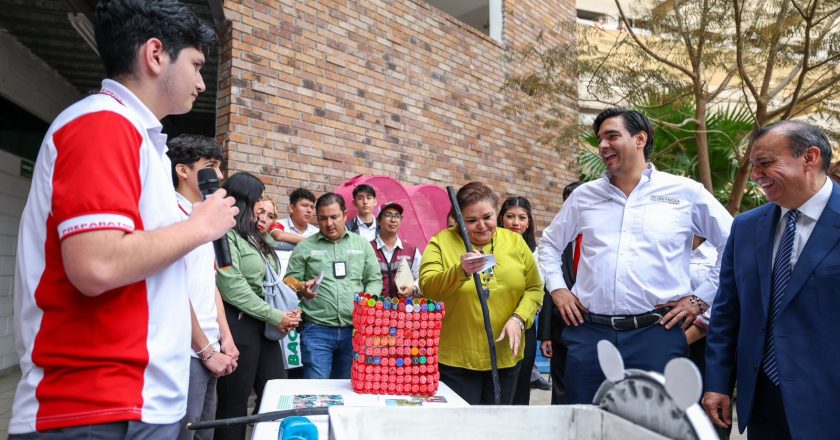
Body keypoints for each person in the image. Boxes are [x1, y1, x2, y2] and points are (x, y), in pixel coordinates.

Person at [9, 1, 237, 437]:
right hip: (96, 408)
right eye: (196, 65)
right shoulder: (103, 123)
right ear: (155, 54)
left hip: (135, 403)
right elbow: (97, 264)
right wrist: (199, 226)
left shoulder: (139, 137)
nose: (201, 82)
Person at [539, 108, 732, 405]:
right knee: (585, 426)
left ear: (640, 138)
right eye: (599, 138)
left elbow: (733, 243)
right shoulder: (584, 196)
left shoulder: (685, 192)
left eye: (612, 136)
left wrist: (700, 298)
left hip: (656, 336)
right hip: (590, 336)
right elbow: (550, 245)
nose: (603, 145)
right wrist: (559, 289)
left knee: (654, 428)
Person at [703, 121, 840, 440]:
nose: (755, 175)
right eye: (753, 166)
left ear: (810, 158)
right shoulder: (746, 227)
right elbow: (726, 313)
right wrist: (718, 384)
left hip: (830, 402)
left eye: (765, 163)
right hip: (764, 400)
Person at [420, 182, 543, 405]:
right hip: (457, 361)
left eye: (487, 217)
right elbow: (429, 288)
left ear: (496, 212)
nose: (481, 226)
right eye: (471, 221)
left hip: (506, 356)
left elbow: (534, 288)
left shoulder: (514, 241)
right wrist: (460, 271)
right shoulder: (441, 242)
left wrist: (518, 318)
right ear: (458, 220)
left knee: (497, 425)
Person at [215, 172, 302, 440]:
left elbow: (271, 282)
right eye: (258, 199)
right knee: (235, 405)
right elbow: (232, 286)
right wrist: (276, 314)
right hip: (239, 325)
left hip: (264, 326)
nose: (261, 207)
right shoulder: (224, 235)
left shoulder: (254, 236)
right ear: (246, 199)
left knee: (276, 396)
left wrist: (287, 308)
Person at [168, 134, 240, 440]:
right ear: (183, 171)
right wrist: (206, 350)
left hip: (210, 346)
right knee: (186, 431)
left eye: (219, 167)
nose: (220, 176)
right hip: (186, 351)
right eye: (210, 166)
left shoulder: (205, 218)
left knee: (204, 432)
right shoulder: (170, 214)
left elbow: (209, 283)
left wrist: (226, 337)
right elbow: (174, 291)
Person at [285, 193, 383, 379]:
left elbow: (374, 279)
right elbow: (289, 281)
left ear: (345, 215)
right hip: (316, 330)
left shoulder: (362, 244)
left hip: (354, 329)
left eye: (334, 217)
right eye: (322, 218)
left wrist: (367, 301)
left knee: (347, 386)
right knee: (317, 389)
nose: (329, 224)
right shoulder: (305, 247)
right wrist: (301, 287)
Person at [498, 196, 550, 405]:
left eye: (522, 217)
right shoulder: (491, 247)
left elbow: (538, 289)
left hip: (524, 323)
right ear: (501, 219)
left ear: (529, 222)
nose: (515, 223)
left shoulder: (537, 253)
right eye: (510, 217)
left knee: (520, 382)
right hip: (495, 320)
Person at [538, 181, 582, 405]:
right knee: (561, 385)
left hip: (594, 325)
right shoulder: (556, 242)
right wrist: (545, 334)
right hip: (561, 326)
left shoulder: (604, 240)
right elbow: (548, 290)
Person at [371, 201, 422, 298]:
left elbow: (422, 277)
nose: (393, 220)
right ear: (378, 220)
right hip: (376, 310)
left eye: (397, 216)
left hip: (404, 310)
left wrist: (413, 289)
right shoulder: (368, 248)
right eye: (388, 215)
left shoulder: (411, 250)